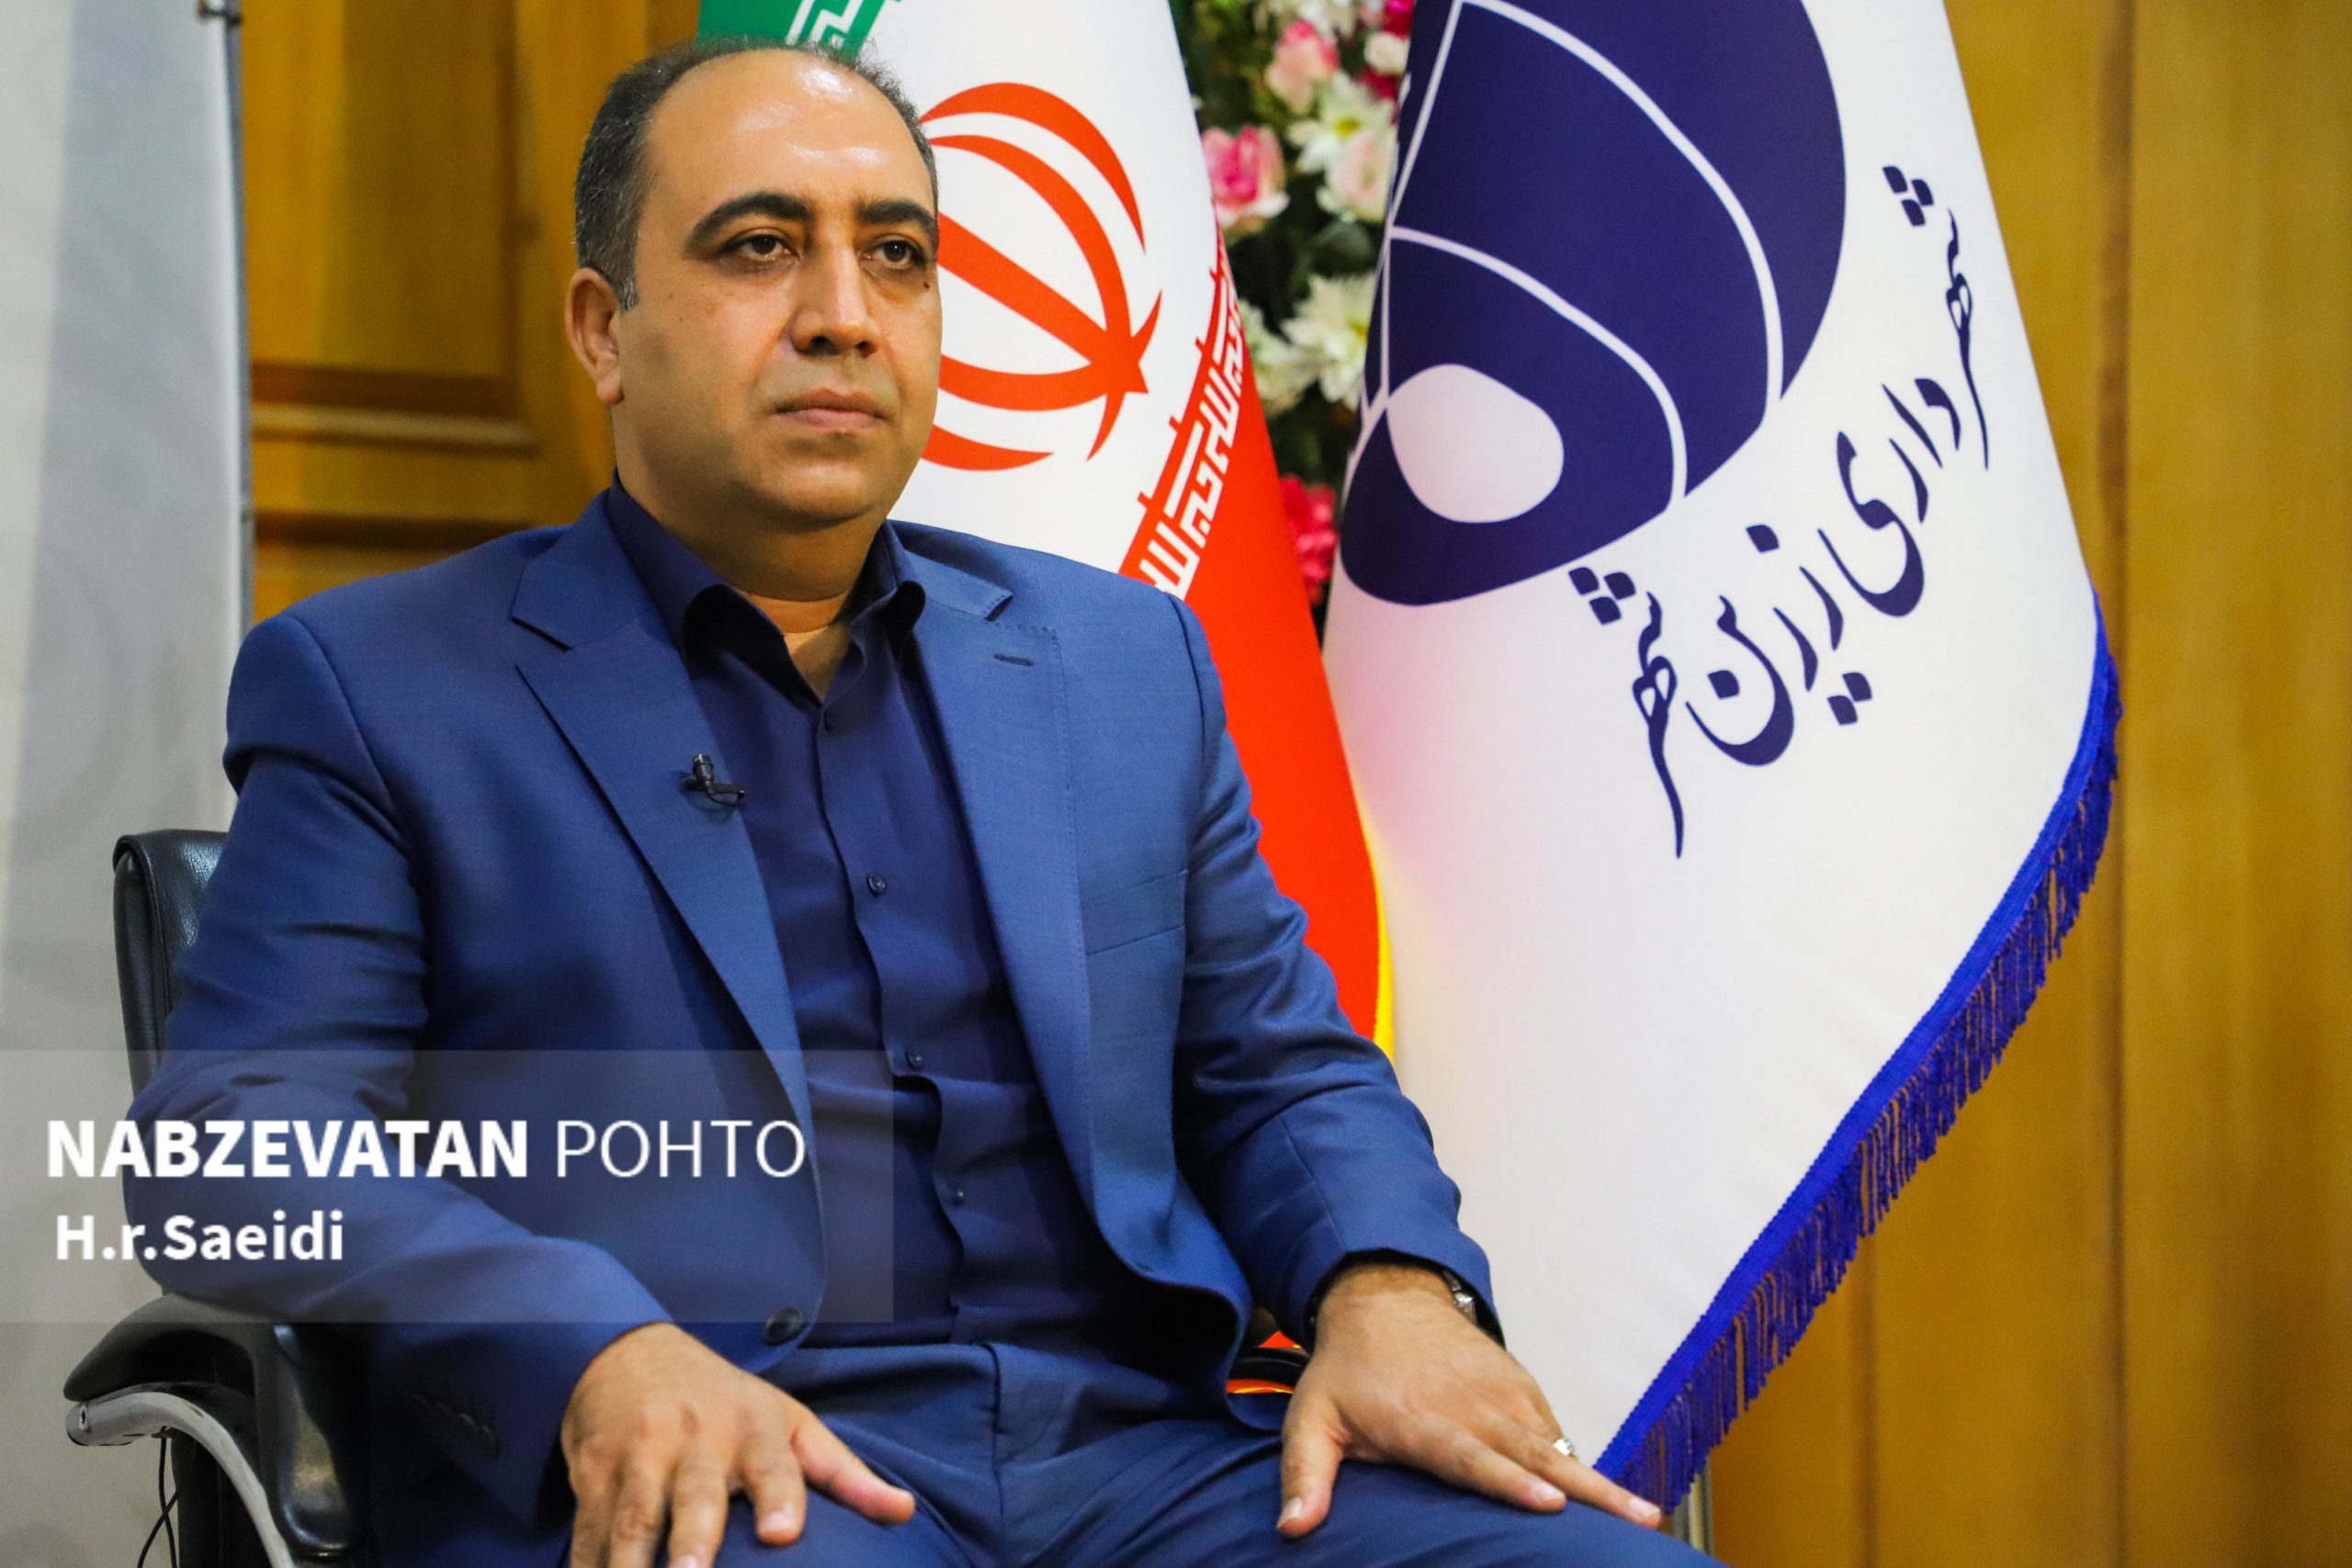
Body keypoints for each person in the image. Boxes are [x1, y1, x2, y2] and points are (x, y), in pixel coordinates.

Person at [124, 35, 1719, 1568]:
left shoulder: (1118, 662)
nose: (843, 315)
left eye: (896, 256)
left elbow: (1274, 1067)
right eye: (760, 249)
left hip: (1159, 1469)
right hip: (735, 1470)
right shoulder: (386, 685)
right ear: (604, 330)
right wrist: (592, 1346)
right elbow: (228, 1145)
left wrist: (1389, 1289)